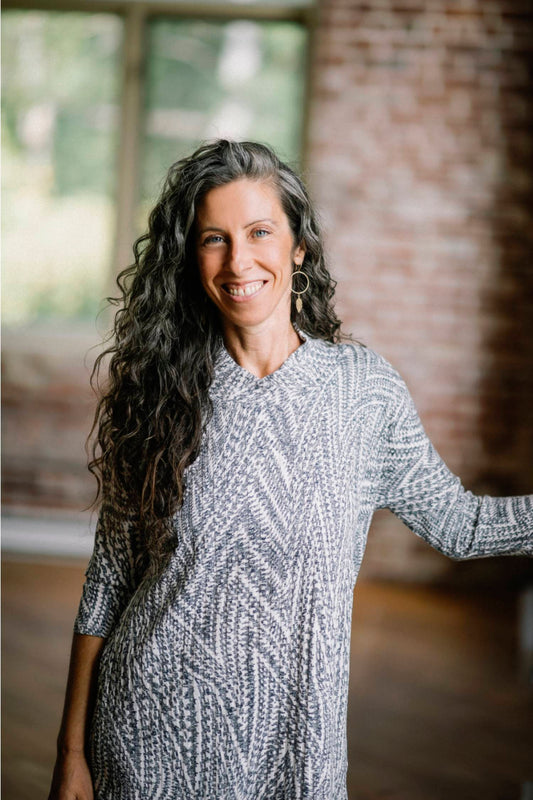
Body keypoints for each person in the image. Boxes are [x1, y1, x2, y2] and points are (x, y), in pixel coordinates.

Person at [48, 139, 532, 800]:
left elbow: (464, 525)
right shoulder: (159, 395)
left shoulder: (362, 393)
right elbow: (109, 582)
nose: (237, 260)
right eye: (213, 239)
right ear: (191, 259)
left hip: (294, 751)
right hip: (148, 738)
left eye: (258, 232)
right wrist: (71, 751)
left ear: (297, 246)